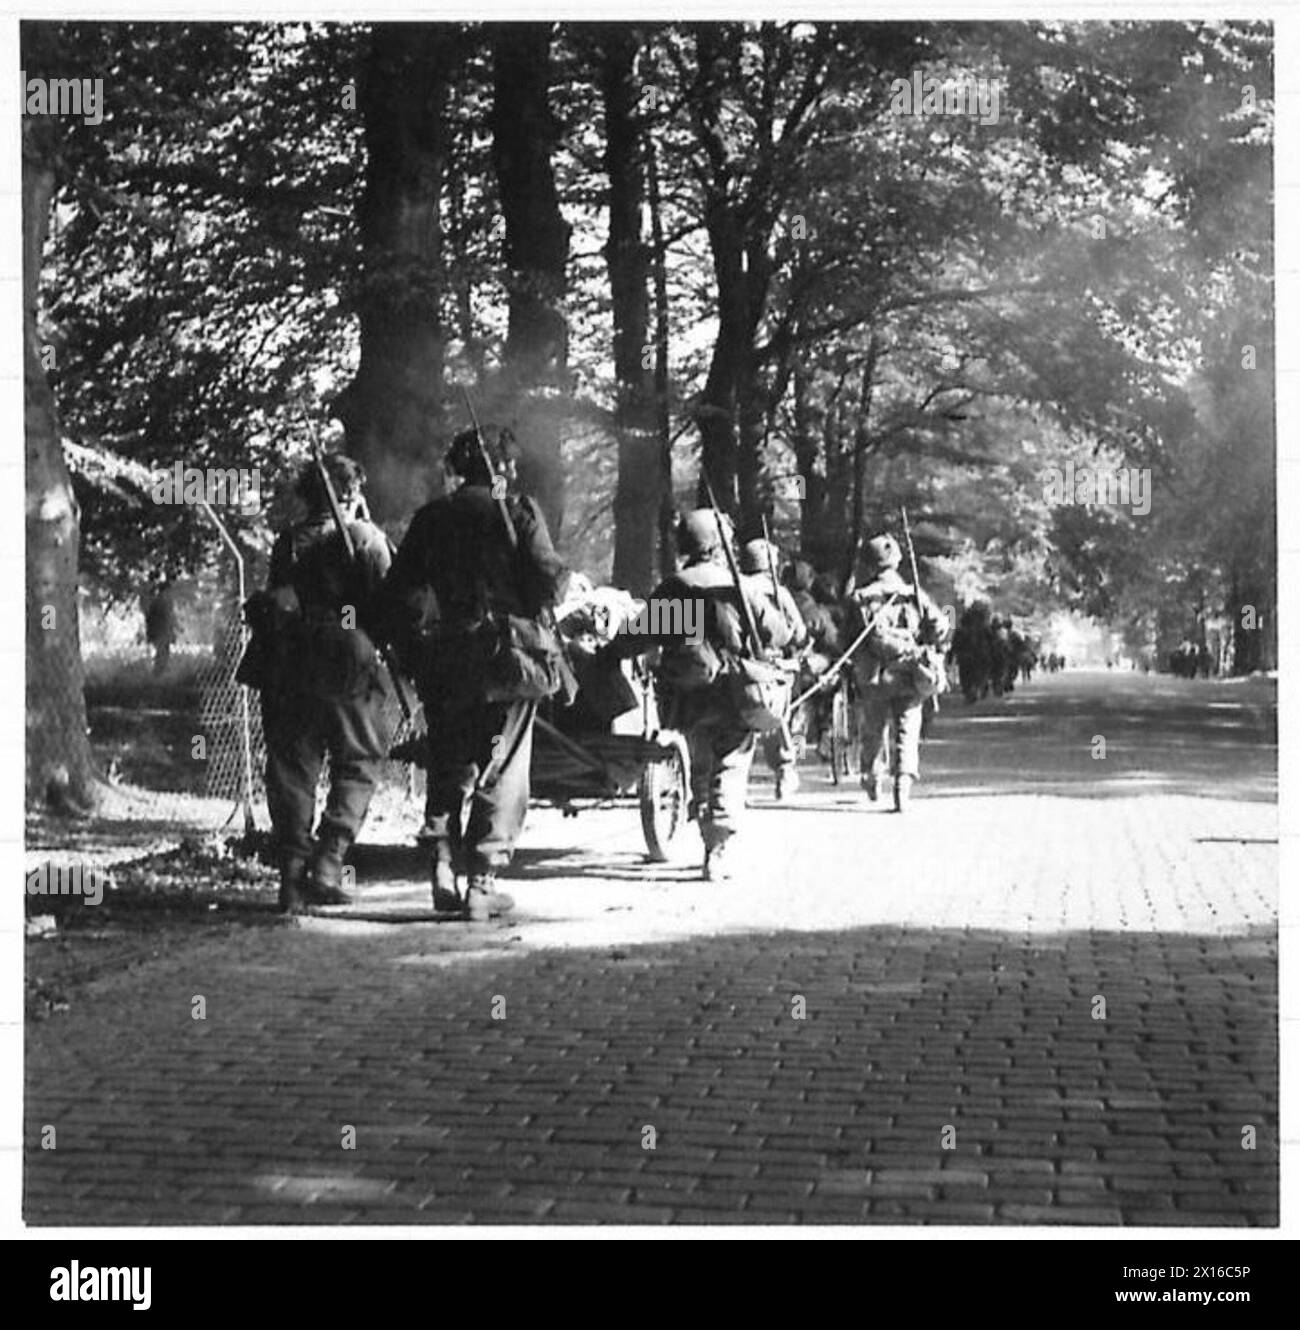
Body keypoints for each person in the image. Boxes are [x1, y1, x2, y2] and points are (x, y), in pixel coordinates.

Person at [381, 428, 568, 921]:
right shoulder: (517, 509)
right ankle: (482, 884)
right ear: (503, 467)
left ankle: (441, 864)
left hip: (445, 655)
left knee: (447, 758)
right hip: (507, 657)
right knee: (500, 763)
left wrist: (410, 647)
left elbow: (399, 592)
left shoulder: (433, 516)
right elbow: (551, 583)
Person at [241, 455, 397, 913]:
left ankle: (291, 877)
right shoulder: (366, 538)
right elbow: (389, 602)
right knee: (360, 761)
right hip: (347, 661)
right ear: (350, 494)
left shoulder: (288, 542)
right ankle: (328, 862)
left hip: (289, 661)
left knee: (292, 767)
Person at [606, 509, 790, 881]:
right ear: (719, 544)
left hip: (687, 697)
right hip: (736, 694)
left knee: (701, 765)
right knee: (731, 766)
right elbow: (780, 633)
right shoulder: (738, 586)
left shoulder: (677, 589)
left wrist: (606, 656)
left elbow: (636, 640)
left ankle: (707, 827)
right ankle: (716, 847)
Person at [849, 532, 950, 812]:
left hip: (874, 676)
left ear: (869, 564)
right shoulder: (914, 594)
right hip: (909, 673)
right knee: (907, 728)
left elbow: (848, 639)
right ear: (896, 561)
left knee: (873, 728)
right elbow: (939, 626)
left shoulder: (859, 598)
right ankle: (902, 783)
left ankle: (871, 775)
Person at [740, 538, 807, 798]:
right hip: (771, 664)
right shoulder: (779, 593)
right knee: (775, 713)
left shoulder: (736, 586)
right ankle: (784, 770)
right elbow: (798, 633)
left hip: (738, 660)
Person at [143, 581, 178, 677]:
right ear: (165, 591)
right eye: (168, 591)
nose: (170, 593)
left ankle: (160, 672)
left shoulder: (160, 601)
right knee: (162, 652)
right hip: (160, 632)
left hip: (160, 632)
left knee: (163, 652)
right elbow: (167, 618)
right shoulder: (162, 602)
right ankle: (158, 672)